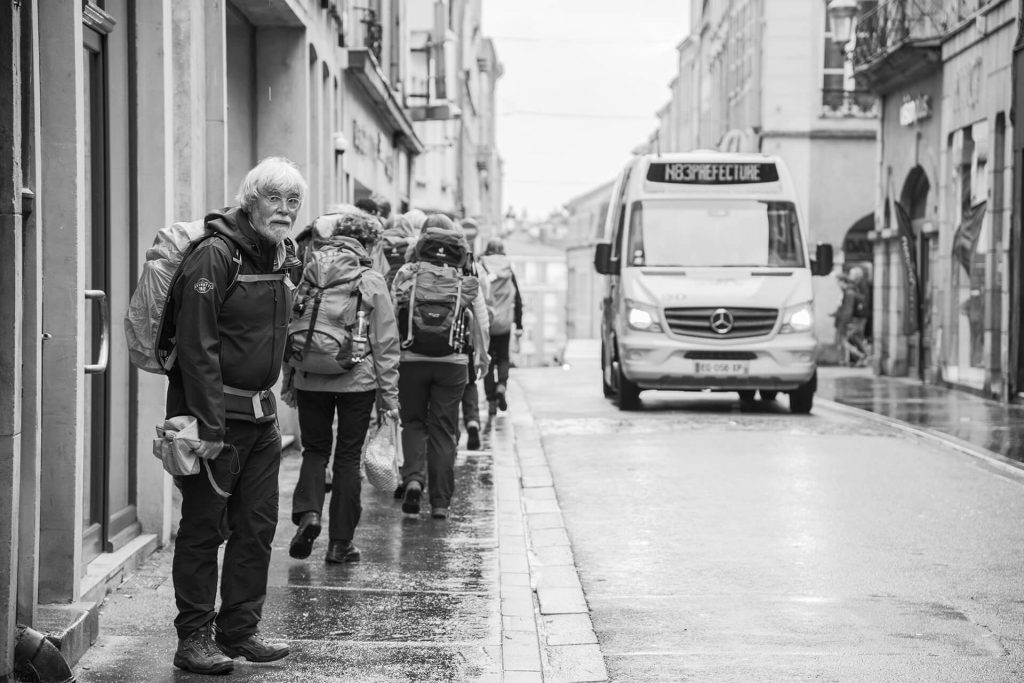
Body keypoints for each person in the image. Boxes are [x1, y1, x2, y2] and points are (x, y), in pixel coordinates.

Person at [167, 157, 305, 675]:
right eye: (275, 198)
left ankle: (240, 631)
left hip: (260, 419)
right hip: (214, 419)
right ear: (251, 199)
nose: (285, 210)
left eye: (293, 201)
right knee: (204, 528)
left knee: (257, 526)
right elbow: (195, 346)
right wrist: (206, 426)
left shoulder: (277, 253)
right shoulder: (215, 255)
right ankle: (193, 639)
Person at [282, 210, 401, 564]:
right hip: (357, 380)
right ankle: (340, 544)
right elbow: (385, 344)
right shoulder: (370, 279)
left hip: (309, 377)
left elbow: (292, 323)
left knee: (314, 451)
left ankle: (308, 515)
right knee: (348, 459)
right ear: (368, 243)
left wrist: (289, 378)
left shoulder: (309, 270)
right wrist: (389, 399)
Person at [391, 215, 489, 519]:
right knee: (444, 431)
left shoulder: (407, 273)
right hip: (453, 362)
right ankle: (441, 502)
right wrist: (481, 357)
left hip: (411, 360)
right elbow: (482, 322)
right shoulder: (464, 275)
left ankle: (414, 481)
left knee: (414, 423)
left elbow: (392, 315)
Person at [478, 238, 523, 416]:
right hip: (504, 322)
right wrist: (519, 324)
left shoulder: (480, 265)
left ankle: (490, 400)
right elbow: (517, 298)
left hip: (486, 321)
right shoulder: (508, 268)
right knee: (503, 357)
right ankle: (502, 386)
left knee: (487, 360)